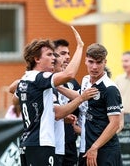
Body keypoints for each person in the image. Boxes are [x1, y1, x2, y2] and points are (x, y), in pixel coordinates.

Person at [12, 26, 98, 166]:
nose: (54, 58)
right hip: (41, 142)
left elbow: (14, 98)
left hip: (28, 142)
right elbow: (68, 75)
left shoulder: (26, 79)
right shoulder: (40, 78)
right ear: (36, 59)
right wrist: (80, 47)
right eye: (49, 55)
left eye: (54, 54)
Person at [53, 39, 81, 166]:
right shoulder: (41, 80)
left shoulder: (72, 82)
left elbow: (82, 105)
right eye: (63, 53)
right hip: (50, 142)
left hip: (69, 141)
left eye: (69, 54)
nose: (68, 57)